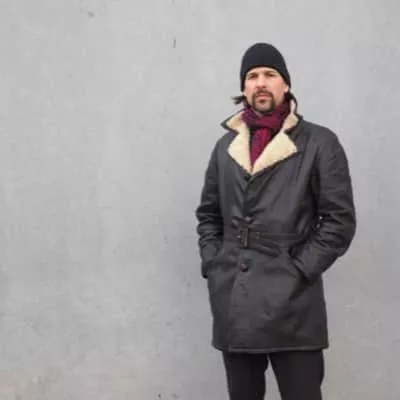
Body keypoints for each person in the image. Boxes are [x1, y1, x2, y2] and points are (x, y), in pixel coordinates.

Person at [195, 43, 356, 400]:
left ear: (286, 84)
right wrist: (214, 262)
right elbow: (208, 214)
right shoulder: (225, 147)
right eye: (252, 76)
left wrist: (298, 270)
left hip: (294, 306)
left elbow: (339, 221)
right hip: (235, 300)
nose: (261, 83)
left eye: (270, 74)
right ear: (244, 87)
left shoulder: (319, 142)